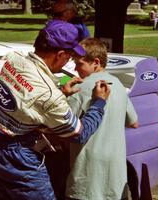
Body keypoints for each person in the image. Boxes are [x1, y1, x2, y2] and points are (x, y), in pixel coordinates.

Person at [0, 20, 110, 200]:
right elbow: (78, 133)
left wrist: (61, 92)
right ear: (59, 54)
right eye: (68, 58)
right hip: (17, 156)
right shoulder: (49, 96)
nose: (69, 64)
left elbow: (24, 99)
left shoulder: (11, 58)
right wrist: (99, 103)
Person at [65, 38, 138, 200]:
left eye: (80, 64)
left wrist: (64, 96)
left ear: (96, 62)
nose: (76, 70)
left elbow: (63, 126)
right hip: (115, 176)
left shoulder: (79, 89)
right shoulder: (118, 85)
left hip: (87, 174)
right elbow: (134, 122)